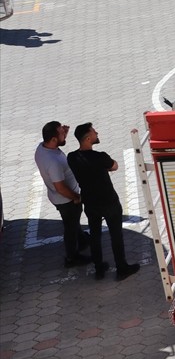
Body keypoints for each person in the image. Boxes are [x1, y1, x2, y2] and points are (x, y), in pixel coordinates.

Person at [67, 124, 140, 282]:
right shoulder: (100, 157)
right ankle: (121, 268)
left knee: (95, 235)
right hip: (109, 201)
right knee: (116, 235)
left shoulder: (71, 157)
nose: (97, 133)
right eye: (94, 132)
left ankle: (99, 268)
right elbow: (114, 166)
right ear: (88, 138)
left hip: (90, 202)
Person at [35, 120, 90, 268]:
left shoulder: (41, 148)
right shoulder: (53, 162)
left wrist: (63, 136)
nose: (64, 134)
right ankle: (72, 257)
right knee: (70, 227)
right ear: (53, 139)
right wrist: (76, 197)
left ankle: (82, 240)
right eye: (61, 133)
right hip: (66, 200)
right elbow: (60, 187)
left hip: (58, 198)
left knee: (73, 221)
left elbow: (57, 141)